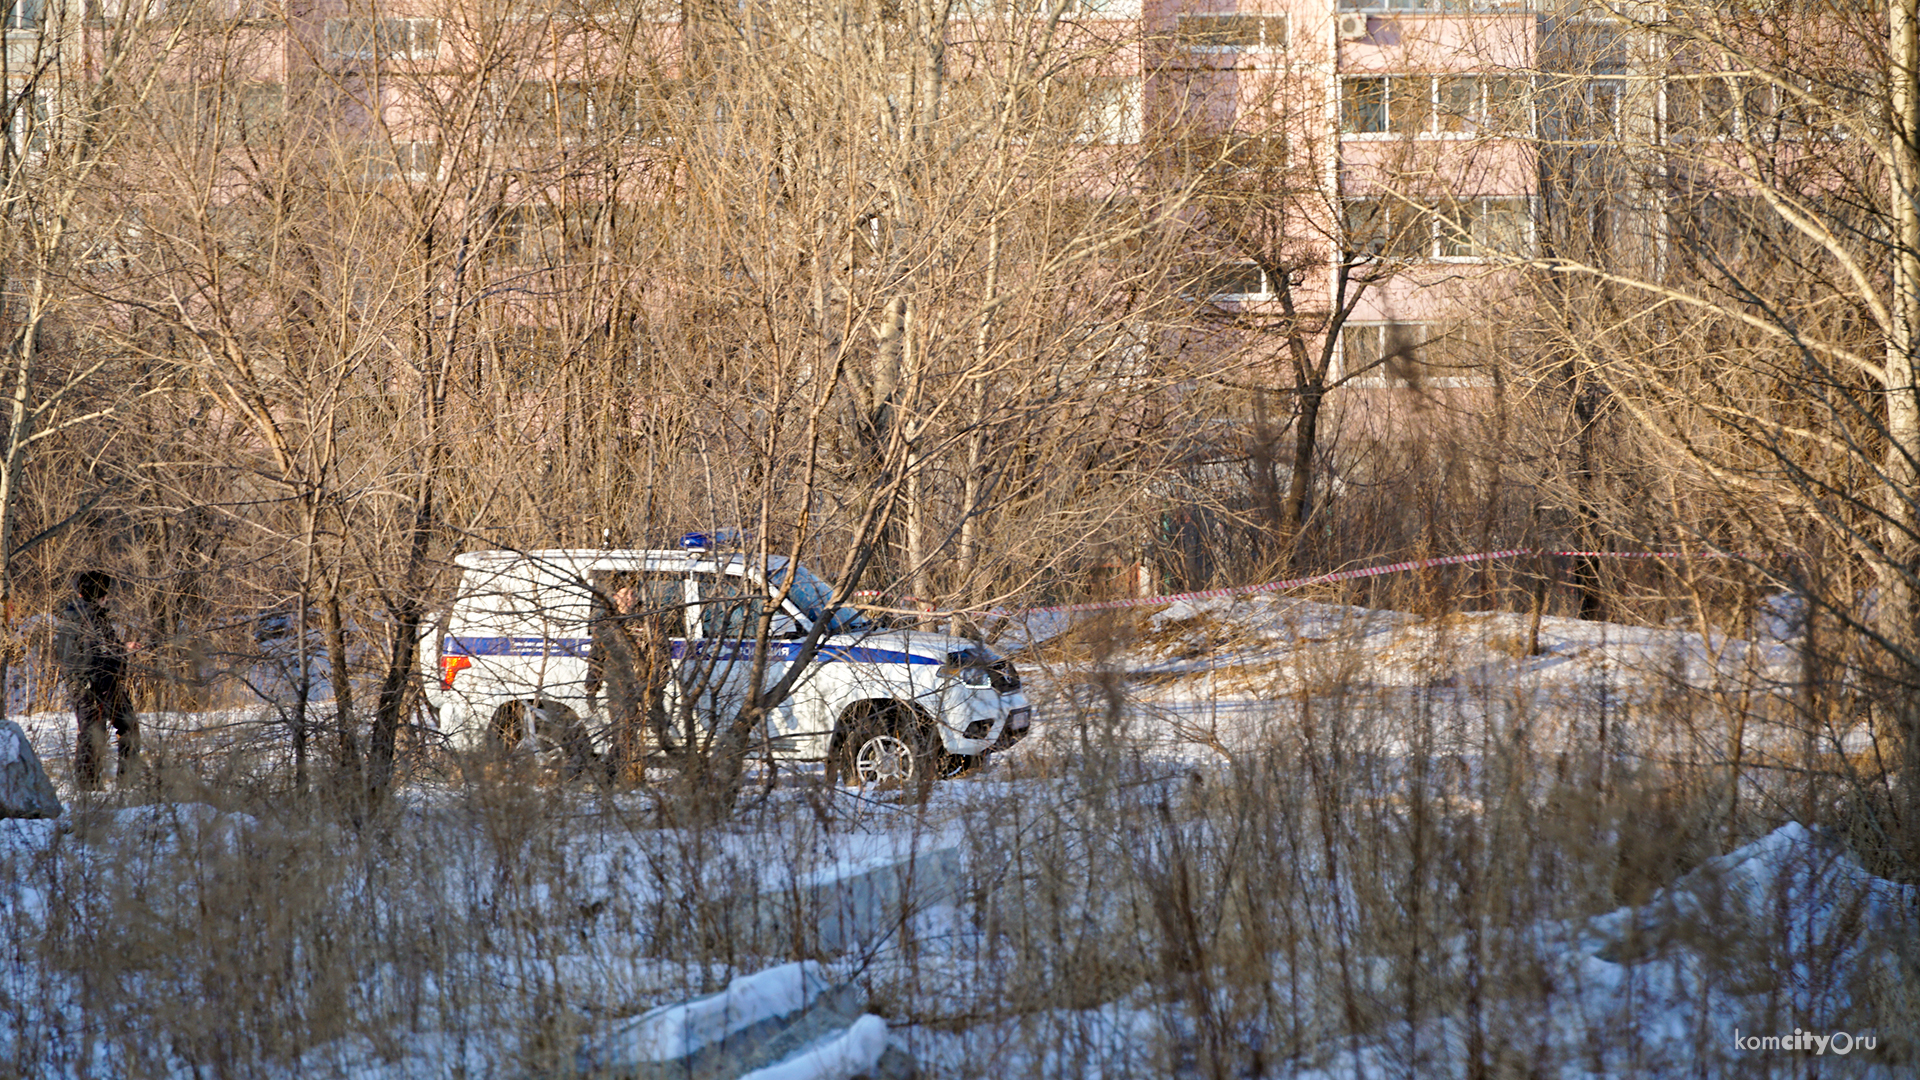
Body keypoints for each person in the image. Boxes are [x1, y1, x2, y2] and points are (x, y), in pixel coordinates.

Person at [54, 570, 141, 789]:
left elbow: (84, 651)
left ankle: (92, 787)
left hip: (86, 683)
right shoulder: (92, 617)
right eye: (106, 593)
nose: (108, 598)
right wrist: (117, 662)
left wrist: (122, 648)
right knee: (108, 732)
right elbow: (96, 655)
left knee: (98, 734)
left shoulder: (73, 614)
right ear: (99, 594)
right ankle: (109, 788)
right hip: (97, 685)